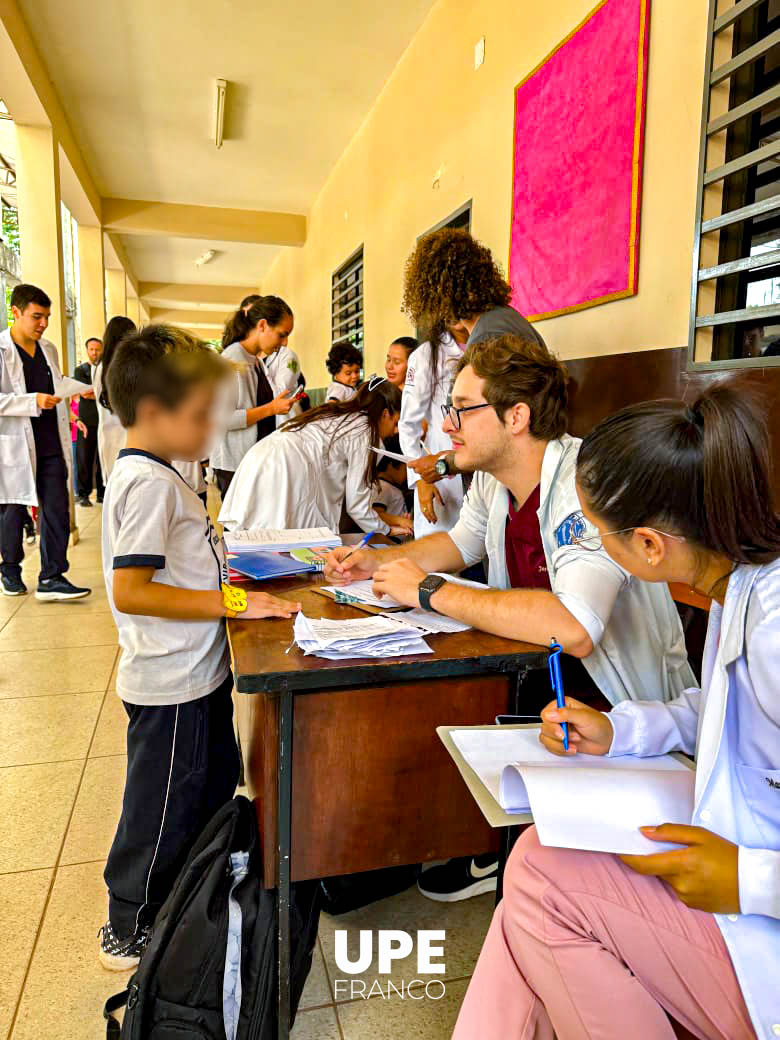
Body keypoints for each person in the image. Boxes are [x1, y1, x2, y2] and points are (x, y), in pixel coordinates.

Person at [453, 381, 780, 1040]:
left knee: (541, 883)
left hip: (759, 910)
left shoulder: (772, 628)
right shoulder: (738, 583)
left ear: (651, 547)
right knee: (535, 880)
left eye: (600, 536)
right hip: (739, 854)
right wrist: (620, 728)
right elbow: (719, 710)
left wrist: (749, 878)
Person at [325, 334, 695, 901]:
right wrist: (375, 561)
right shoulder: (495, 483)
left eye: (462, 409)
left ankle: (493, 857)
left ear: (516, 416)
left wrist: (426, 590)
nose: (448, 425)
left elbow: (575, 626)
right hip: (538, 680)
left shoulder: (584, 481)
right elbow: (458, 543)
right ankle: (445, 845)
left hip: (618, 708)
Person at [98, 323, 299, 970]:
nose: (211, 426)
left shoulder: (161, 471)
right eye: (198, 415)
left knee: (209, 786)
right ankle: (127, 923)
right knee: (159, 808)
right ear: (153, 414)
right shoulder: (148, 484)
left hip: (197, 672)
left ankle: (194, 890)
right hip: (171, 682)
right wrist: (232, 601)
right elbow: (132, 589)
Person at [220, 380, 412, 536]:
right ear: (385, 414)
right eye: (396, 423)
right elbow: (357, 506)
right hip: (287, 466)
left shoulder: (338, 413)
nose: (395, 431)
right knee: (276, 542)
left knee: (256, 537)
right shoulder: (364, 428)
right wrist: (386, 530)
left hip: (262, 453)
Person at [0, 284, 91, 601]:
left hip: (51, 442)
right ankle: (9, 569)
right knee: (12, 509)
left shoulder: (48, 349)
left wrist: (77, 389)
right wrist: (31, 401)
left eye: (47, 317)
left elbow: (57, 382)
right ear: (16, 312)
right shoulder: (1, 351)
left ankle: (53, 575)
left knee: (56, 509)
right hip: (16, 446)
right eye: (37, 316)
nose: (43, 324)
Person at [211, 296, 296, 498]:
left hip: (252, 461)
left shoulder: (255, 361)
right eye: (282, 335)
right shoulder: (231, 361)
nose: (284, 344)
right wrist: (271, 409)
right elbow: (221, 418)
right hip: (234, 465)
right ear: (262, 325)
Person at [398, 326, 469, 536]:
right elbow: (408, 425)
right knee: (443, 558)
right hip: (443, 480)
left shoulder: (487, 341)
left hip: (480, 472)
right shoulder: (426, 355)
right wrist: (420, 480)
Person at [96, 316, 136, 478]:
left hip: (110, 434)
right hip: (127, 436)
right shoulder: (125, 366)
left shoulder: (101, 367)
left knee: (116, 486)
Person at [73, 336, 104, 506]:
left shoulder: (106, 370)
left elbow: (108, 393)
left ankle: (102, 493)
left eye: (97, 349)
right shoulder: (80, 370)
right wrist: (98, 392)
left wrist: (96, 392)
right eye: (91, 349)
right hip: (85, 422)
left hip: (103, 421)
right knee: (84, 459)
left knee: (102, 459)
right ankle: (83, 494)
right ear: (87, 351)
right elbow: (84, 393)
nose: (94, 352)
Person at [372, 436, 411, 531]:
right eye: (406, 468)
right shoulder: (383, 488)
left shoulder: (389, 487)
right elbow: (377, 514)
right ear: (392, 465)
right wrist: (401, 521)